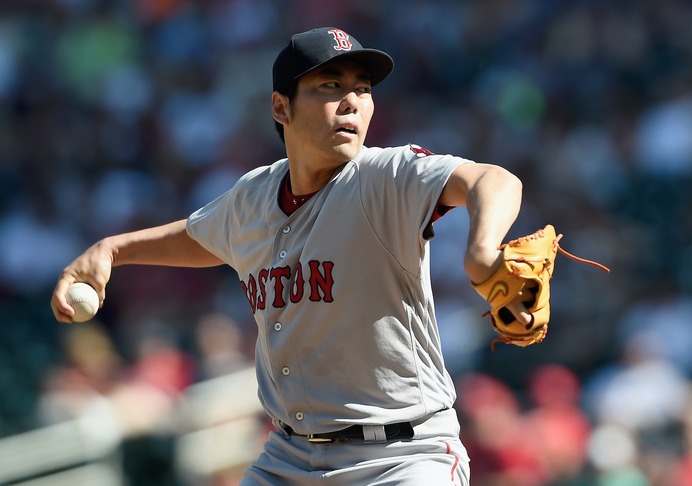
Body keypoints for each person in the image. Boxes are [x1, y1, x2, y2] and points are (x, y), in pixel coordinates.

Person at [51, 27, 533, 486]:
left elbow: (494, 180)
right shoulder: (253, 196)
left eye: (363, 88)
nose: (353, 101)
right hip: (288, 458)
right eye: (330, 85)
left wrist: (482, 247)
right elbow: (202, 238)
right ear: (281, 107)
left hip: (401, 456)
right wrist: (111, 249)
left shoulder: (385, 175)